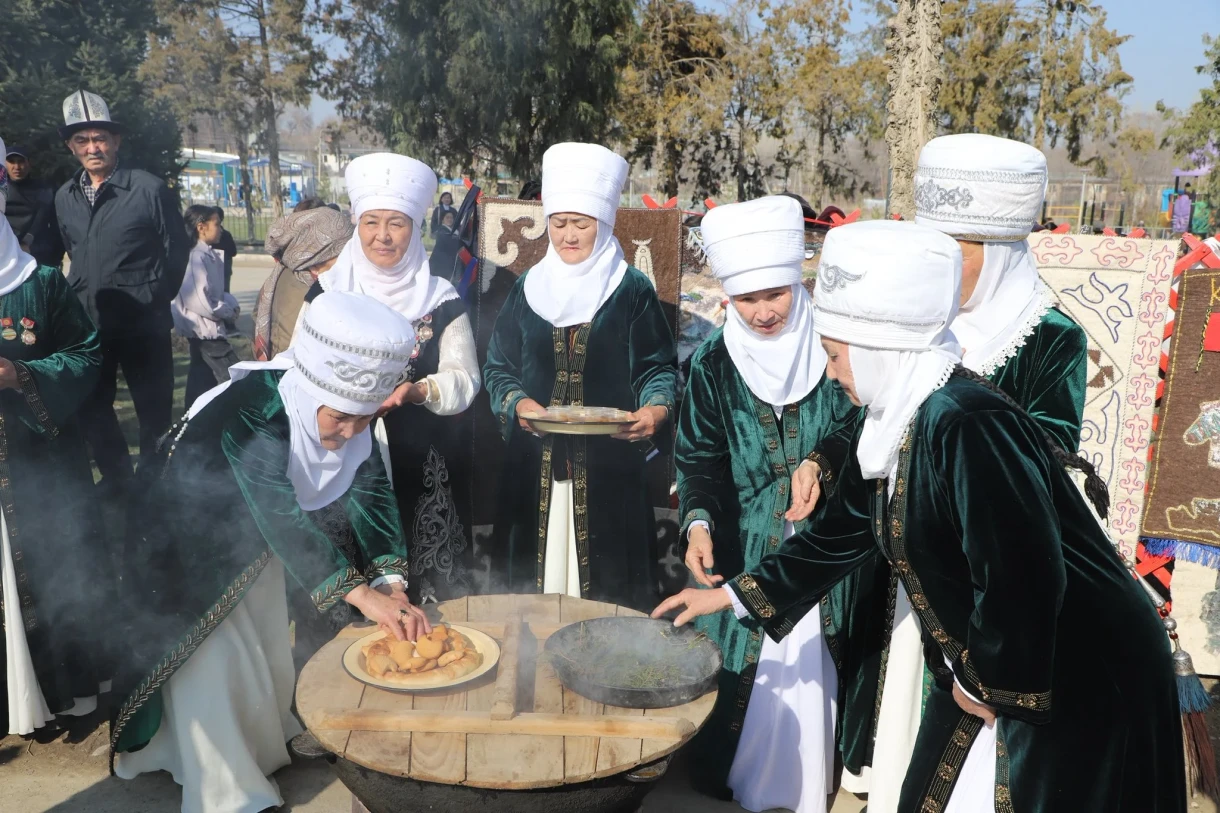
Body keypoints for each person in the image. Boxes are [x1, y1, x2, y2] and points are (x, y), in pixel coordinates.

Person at [656, 219, 1186, 813]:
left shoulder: (964, 423)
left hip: (1071, 662)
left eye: (835, 356)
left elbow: (1024, 573)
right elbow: (838, 537)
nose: (830, 373)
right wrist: (731, 599)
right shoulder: (893, 420)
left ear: (880, 348)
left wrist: (988, 684)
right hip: (994, 659)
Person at [789, 134, 1090, 812]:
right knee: (889, 705)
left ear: (1002, 251)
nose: (943, 271)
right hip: (903, 551)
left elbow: (1043, 463)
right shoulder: (912, 316)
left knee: (954, 741)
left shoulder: (1047, 337)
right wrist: (825, 458)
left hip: (975, 574)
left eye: (961, 254)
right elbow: (869, 411)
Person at [112, 290, 429, 813]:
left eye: (363, 419)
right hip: (189, 524)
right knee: (212, 651)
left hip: (250, 532)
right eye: (340, 420)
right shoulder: (255, 411)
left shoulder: (348, 417)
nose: (349, 434)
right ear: (312, 391)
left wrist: (390, 585)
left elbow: (369, 491)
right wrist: (365, 600)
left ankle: (259, 748)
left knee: (261, 636)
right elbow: (280, 512)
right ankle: (224, 785)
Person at [675, 195, 859, 808]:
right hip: (746, 543)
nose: (763, 312)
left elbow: (862, 422)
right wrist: (698, 523)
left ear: (798, 283)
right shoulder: (710, 365)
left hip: (826, 550)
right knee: (748, 689)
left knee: (812, 674)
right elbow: (698, 458)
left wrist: (822, 461)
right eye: (747, 299)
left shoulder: (837, 346)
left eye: (775, 295)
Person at [483, 142, 678, 611]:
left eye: (582, 224)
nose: (568, 236)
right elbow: (498, 367)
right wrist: (516, 403)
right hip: (534, 469)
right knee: (531, 598)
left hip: (609, 470)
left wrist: (654, 410)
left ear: (604, 223)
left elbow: (658, 368)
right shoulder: (528, 287)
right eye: (559, 222)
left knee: (606, 602)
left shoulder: (630, 289)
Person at [310, 153, 481, 604]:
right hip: (341, 458)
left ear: (414, 227)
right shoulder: (327, 294)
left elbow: (465, 378)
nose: (382, 236)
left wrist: (420, 390)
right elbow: (298, 372)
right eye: (371, 222)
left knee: (432, 600)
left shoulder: (441, 299)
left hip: (423, 462)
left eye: (396, 223)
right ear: (356, 225)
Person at [0, 134, 110, 737]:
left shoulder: (39, 283)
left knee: (52, 568)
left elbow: (87, 354)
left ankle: (61, 694)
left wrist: (23, 374)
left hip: (42, 464)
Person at [55, 89, 190, 488]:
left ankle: (153, 489)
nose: (92, 147)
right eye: (82, 140)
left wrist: (153, 297)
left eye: (100, 138)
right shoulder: (65, 197)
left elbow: (176, 250)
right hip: (90, 326)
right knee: (92, 407)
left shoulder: (148, 189)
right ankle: (118, 482)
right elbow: (73, 251)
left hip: (142, 327)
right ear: (71, 146)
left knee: (154, 413)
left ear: (116, 141)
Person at [253, 206, 353, 362]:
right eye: (344, 250)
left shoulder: (284, 273)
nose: (350, 257)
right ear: (321, 253)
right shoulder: (310, 288)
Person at [173, 205, 241, 410]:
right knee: (234, 379)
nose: (220, 229)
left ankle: (195, 425)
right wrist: (228, 312)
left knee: (201, 384)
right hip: (205, 333)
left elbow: (216, 294)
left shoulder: (208, 255)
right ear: (201, 227)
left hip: (207, 331)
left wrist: (231, 304)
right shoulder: (196, 257)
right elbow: (201, 301)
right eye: (217, 225)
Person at [3, 144, 64, 268]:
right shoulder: (1, 192)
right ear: (4, 164)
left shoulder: (45, 190)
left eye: (21, 162)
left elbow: (57, 229)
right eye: (11, 162)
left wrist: (55, 259)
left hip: (37, 258)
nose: (17, 167)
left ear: (29, 163)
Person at [213, 207, 239, 294]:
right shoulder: (226, 234)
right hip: (223, 270)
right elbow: (233, 252)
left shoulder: (209, 237)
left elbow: (233, 252)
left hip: (221, 271)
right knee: (224, 293)